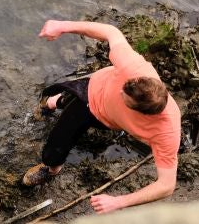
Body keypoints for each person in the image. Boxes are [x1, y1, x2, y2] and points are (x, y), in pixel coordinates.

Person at [23, 19, 181, 214]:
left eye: (124, 97)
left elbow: (167, 185)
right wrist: (63, 26)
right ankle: (56, 102)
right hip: (90, 90)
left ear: (139, 112)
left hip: (105, 118)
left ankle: (52, 169)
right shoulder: (134, 70)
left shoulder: (166, 132)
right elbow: (110, 31)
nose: (119, 92)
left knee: (54, 150)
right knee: (54, 102)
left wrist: (119, 202)